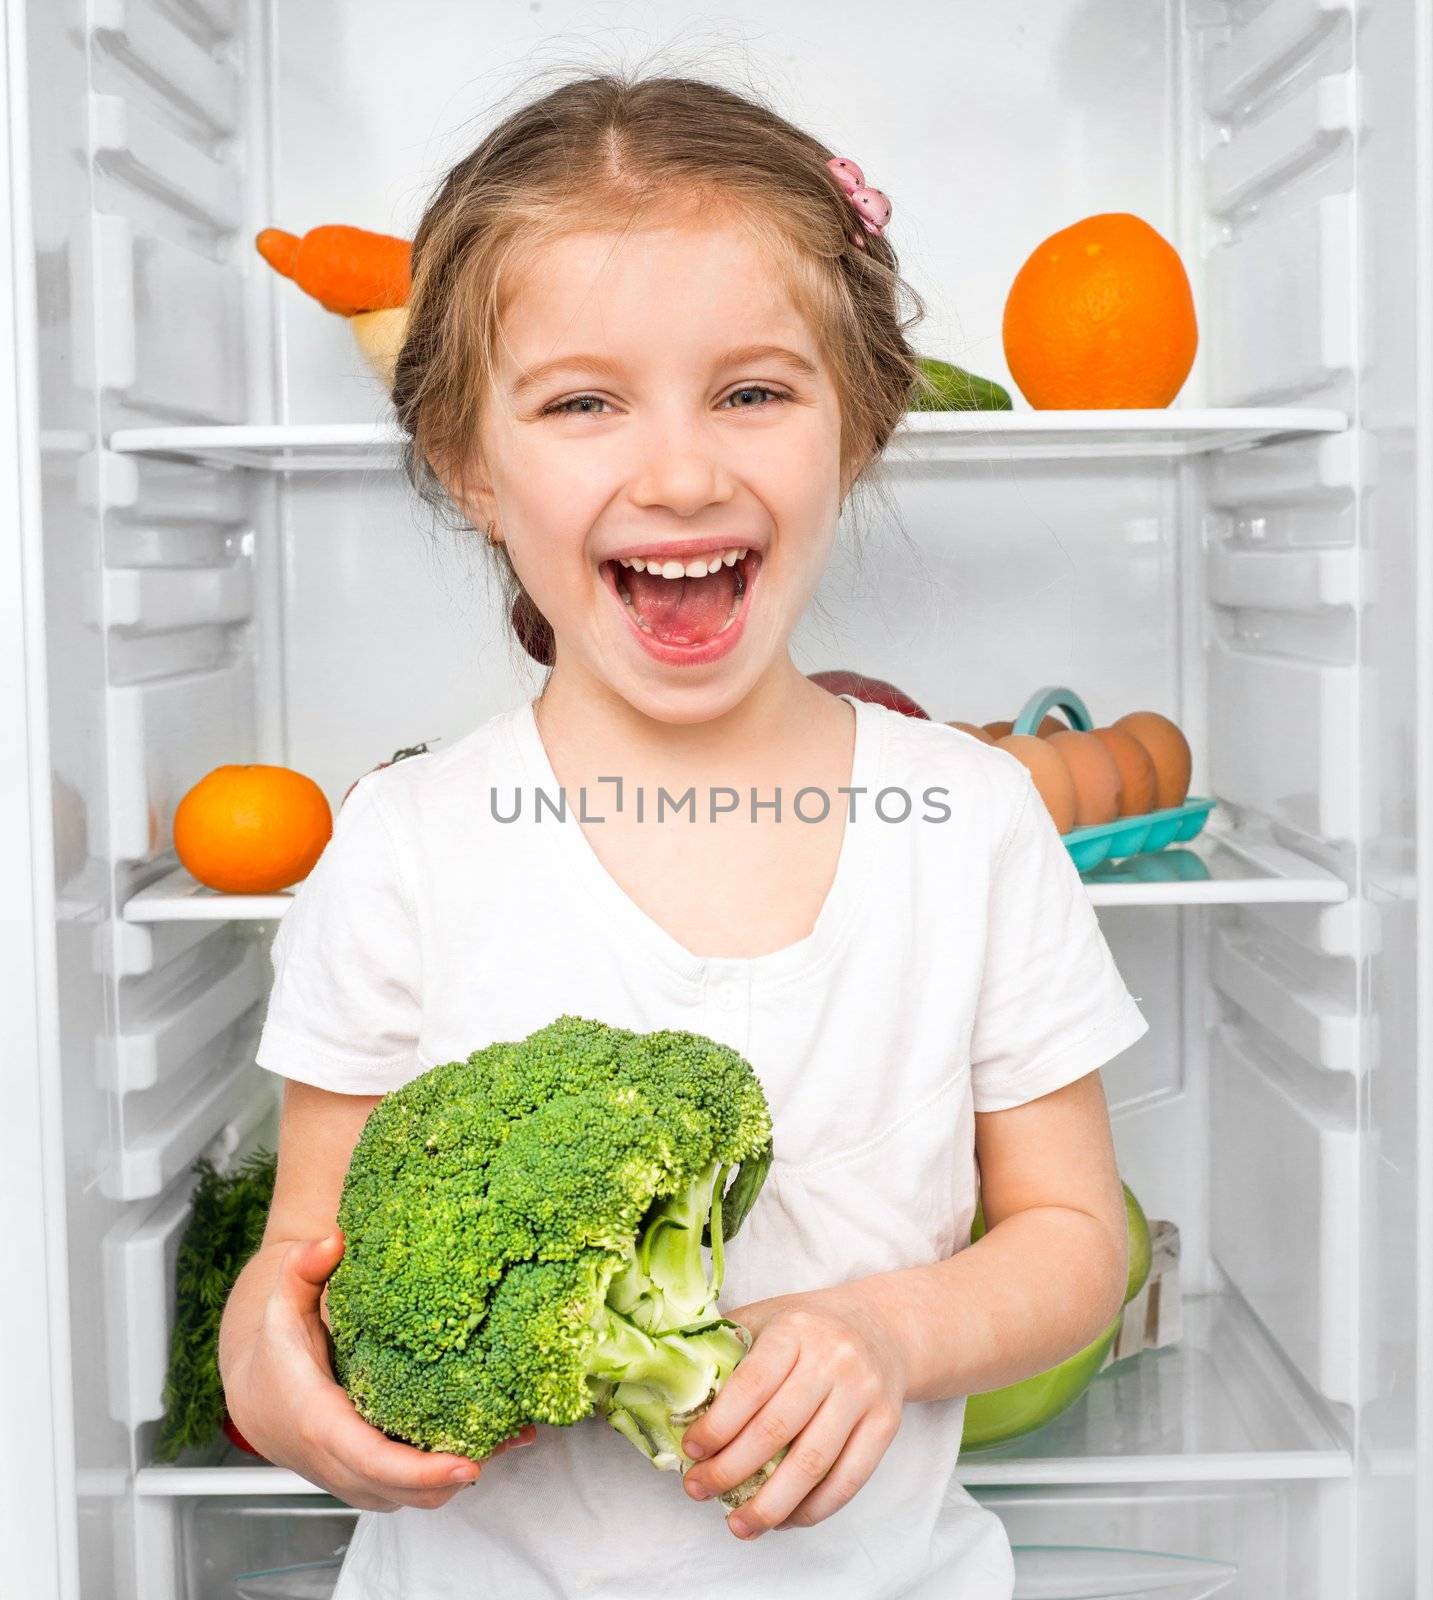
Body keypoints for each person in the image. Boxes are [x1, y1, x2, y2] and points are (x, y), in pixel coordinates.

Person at [219, 67, 1148, 1600]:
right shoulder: (407, 844)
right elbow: (304, 1259)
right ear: (468, 462)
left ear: (855, 425)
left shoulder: (966, 822)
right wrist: (276, 1374)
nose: (678, 471)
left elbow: (1068, 1237)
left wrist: (885, 1331)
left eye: (753, 390)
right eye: (583, 402)